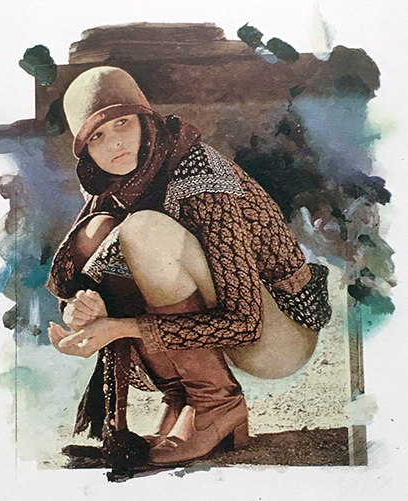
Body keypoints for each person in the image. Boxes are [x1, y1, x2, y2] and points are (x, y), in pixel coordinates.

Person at [46, 66, 331, 466]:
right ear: (87, 151)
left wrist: (121, 327)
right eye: (97, 136)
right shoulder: (114, 184)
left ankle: (216, 404)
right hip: (218, 326)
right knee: (97, 233)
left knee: (143, 230)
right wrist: (80, 308)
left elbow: (245, 321)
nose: (114, 143)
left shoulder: (199, 173)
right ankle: (183, 398)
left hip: (277, 335)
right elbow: (86, 266)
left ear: (146, 120)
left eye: (122, 123)